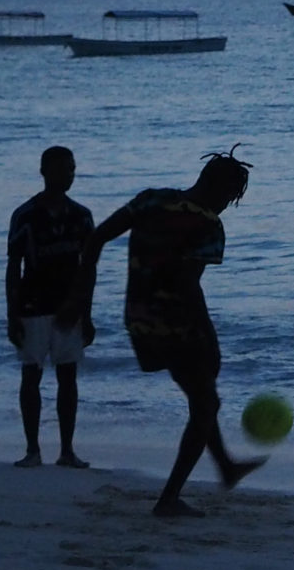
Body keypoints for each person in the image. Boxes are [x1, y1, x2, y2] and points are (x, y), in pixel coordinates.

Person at [91, 151, 264, 517]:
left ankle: (226, 467)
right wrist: (207, 333)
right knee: (205, 402)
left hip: (138, 319)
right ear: (221, 188)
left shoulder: (153, 199)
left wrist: (80, 304)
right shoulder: (209, 225)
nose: (228, 204)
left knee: (202, 396)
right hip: (177, 325)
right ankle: (169, 498)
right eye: (231, 195)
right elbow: (188, 285)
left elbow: (97, 239)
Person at [6, 145, 95, 469]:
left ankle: (67, 451)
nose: (67, 175)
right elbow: (13, 266)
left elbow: (88, 268)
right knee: (31, 374)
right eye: (61, 169)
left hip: (67, 307)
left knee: (68, 376)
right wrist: (11, 314)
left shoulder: (82, 216)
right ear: (44, 172)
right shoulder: (25, 215)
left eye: (71, 169)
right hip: (33, 305)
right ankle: (32, 450)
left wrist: (86, 312)